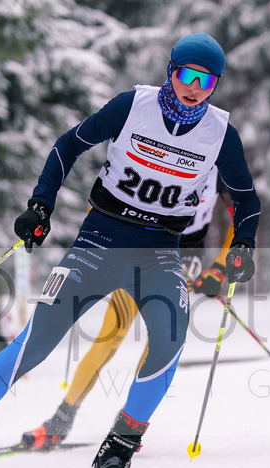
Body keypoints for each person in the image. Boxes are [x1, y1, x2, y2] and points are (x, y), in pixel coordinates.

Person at [0, 32, 260, 468]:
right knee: (33, 345)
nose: (195, 87)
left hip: (159, 252)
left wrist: (244, 245)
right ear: (171, 72)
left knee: (170, 337)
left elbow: (245, 197)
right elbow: (67, 146)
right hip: (99, 241)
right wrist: (41, 205)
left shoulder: (222, 134)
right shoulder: (132, 106)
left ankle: (117, 450)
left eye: (207, 80)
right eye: (187, 75)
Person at [20, 165, 236, 450]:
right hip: (148, 243)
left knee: (158, 342)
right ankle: (60, 421)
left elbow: (238, 219)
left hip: (187, 253)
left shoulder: (221, 164)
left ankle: (127, 426)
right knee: (111, 333)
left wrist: (220, 267)